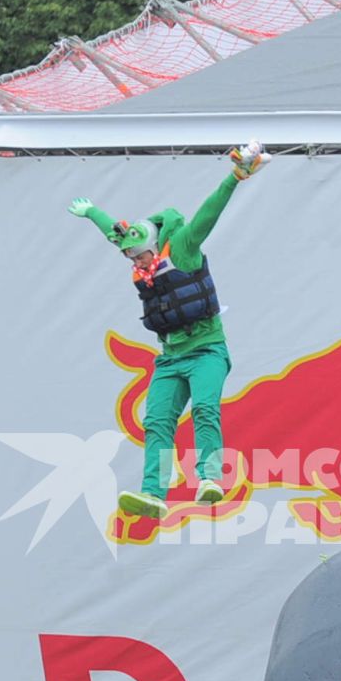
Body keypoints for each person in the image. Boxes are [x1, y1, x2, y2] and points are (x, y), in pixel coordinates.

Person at [67, 142, 267, 518]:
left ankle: (209, 477)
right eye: (131, 256)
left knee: (206, 408)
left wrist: (235, 178)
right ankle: (153, 494)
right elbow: (113, 230)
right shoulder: (136, 255)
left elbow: (208, 215)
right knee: (157, 420)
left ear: (154, 244)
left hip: (207, 349)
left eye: (140, 254)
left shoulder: (182, 251)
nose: (137, 261)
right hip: (171, 357)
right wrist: (92, 211)